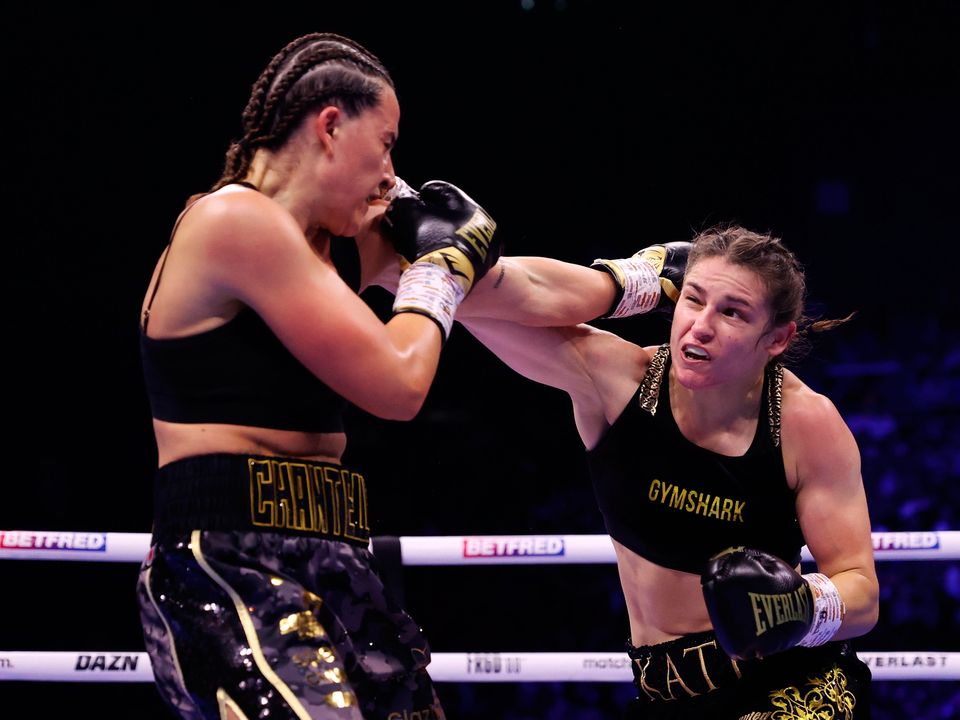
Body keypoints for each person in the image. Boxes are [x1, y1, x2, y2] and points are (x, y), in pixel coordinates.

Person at [134, 31, 519, 720]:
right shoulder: (231, 220)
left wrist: (645, 282)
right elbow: (400, 386)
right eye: (387, 142)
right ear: (332, 126)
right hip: (228, 567)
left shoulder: (341, 250)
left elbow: (517, 292)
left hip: (337, 559)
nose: (390, 172)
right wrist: (438, 270)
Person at [429, 223, 879, 718]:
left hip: (786, 683)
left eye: (731, 312)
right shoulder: (619, 385)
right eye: (693, 299)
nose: (700, 325)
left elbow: (860, 593)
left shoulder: (804, 424)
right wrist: (629, 280)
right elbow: (477, 296)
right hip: (661, 694)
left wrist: (800, 606)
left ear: (776, 339)